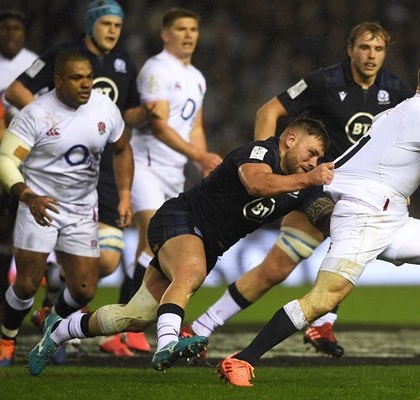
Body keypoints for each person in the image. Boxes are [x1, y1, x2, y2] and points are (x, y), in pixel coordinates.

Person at [217, 53, 420, 387]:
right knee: (322, 300)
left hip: (392, 216)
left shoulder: (393, 113)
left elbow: (373, 160)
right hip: (364, 216)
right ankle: (241, 359)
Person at [26, 117, 335, 376]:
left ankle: (59, 331)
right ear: (290, 139)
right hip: (180, 218)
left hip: (208, 246)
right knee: (191, 270)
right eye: (311, 152)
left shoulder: (303, 185)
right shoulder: (260, 152)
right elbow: (257, 184)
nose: (313, 162)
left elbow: (323, 216)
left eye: (319, 158)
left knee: (134, 316)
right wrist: (309, 181)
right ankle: (167, 345)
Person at [182, 21, 412, 359]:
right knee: (330, 242)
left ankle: (202, 327)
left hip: (362, 189)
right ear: (350, 49)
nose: (371, 55)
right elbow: (269, 110)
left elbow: (412, 138)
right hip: (315, 184)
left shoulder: (396, 91)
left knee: (285, 266)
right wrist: (265, 158)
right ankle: (319, 320)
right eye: (364, 47)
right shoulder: (325, 82)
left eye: (378, 49)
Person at [6, 0, 150, 356]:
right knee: (30, 276)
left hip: (101, 171)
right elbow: (16, 90)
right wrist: (48, 120)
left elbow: (127, 114)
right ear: (90, 26)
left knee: (108, 263)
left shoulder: (123, 63)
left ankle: (55, 294)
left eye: (118, 24)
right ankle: (25, 320)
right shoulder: (62, 53)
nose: (113, 30)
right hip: (55, 170)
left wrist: (145, 113)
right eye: (106, 24)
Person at [0, 50, 134, 367]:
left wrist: (124, 194)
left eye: (89, 78)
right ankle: (6, 341)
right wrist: (28, 196)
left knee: (84, 290)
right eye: (76, 78)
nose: (86, 84)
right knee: (26, 284)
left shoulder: (105, 107)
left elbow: (123, 149)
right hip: (41, 205)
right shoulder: (36, 114)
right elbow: (6, 161)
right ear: (57, 82)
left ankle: (51, 321)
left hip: (83, 209)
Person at [127, 7, 221, 339]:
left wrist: (202, 161)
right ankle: (127, 326)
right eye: (181, 29)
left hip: (174, 171)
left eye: (193, 29)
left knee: (160, 250)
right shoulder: (156, 70)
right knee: (151, 244)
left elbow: (194, 125)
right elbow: (158, 126)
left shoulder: (196, 76)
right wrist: (198, 153)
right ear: (165, 34)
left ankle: (132, 322)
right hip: (146, 165)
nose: (188, 35)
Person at [0, 10, 37, 335]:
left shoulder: (34, 62)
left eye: (17, 27)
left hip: (17, 156)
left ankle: (1, 304)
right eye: (5, 28)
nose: (11, 33)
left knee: (3, 232)